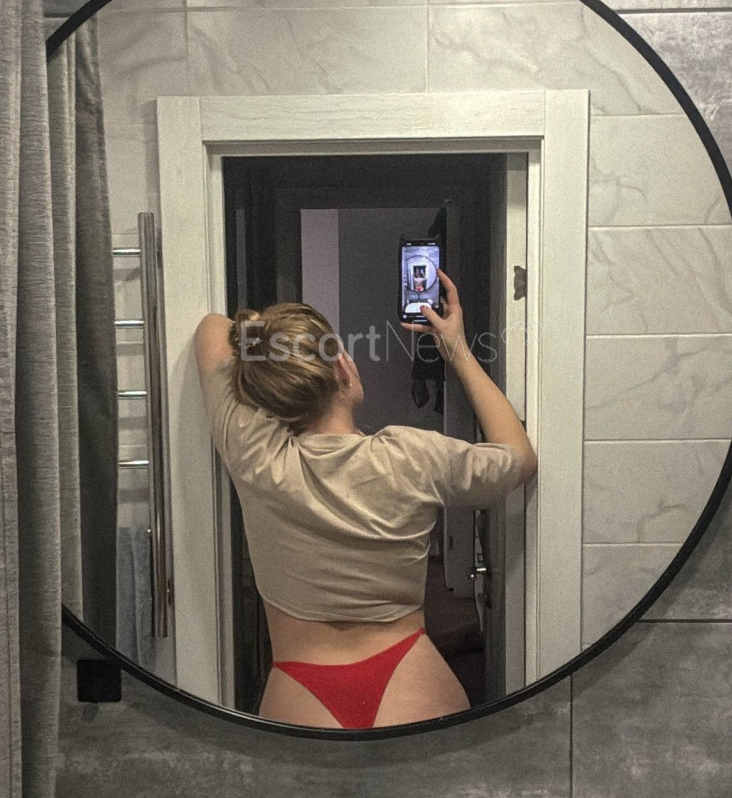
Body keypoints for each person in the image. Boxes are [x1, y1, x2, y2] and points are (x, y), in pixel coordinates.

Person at [194, 269, 537, 729]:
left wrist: (270, 348)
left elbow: (212, 330)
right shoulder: (412, 457)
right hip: (410, 679)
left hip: (300, 691)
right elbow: (520, 458)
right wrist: (455, 348)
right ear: (341, 367)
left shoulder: (257, 455)